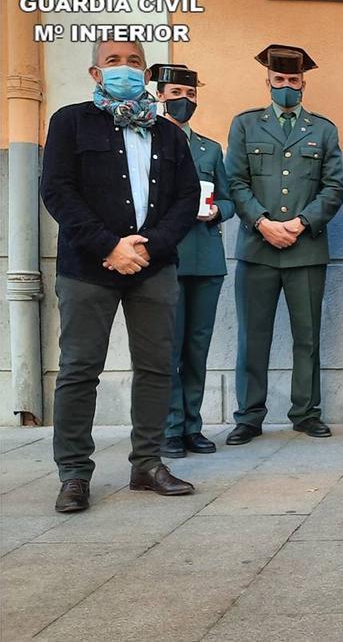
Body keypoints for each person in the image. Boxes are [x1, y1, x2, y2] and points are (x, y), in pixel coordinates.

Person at [40, 38, 198, 513]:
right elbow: (57, 191)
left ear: (146, 74)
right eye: (113, 62)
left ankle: (147, 464)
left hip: (153, 267)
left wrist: (148, 247)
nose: (124, 70)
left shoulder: (168, 133)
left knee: (154, 367)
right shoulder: (70, 122)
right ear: (95, 74)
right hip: (88, 267)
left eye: (133, 62)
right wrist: (109, 245)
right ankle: (73, 474)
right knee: (79, 370)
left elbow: (186, 198)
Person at [224, 44, 343, 446]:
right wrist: (262, 222)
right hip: (257, 248)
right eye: (280, 81)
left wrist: (300, 222)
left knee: (307, 337)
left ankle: (306, 412)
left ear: (304, 84)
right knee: (253, 337)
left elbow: (333, 186)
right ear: (268, 83)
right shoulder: (245, 126)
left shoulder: (323, 130)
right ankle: (249, 415)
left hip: (305, 248)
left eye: (293, 81)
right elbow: (235, 182)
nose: (287, 87)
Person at [147, 64, 234, 460]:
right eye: (177, 92)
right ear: (161, 95)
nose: (185, 100)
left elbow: (230, 199)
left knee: (197, 348)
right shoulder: (146, 139)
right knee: (168, 348)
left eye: (191, 93)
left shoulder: (210, 149)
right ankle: (169, 427)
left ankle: (193, 427)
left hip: (206, 257)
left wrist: (217, 212)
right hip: (167, 257)